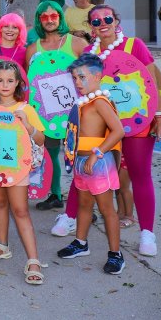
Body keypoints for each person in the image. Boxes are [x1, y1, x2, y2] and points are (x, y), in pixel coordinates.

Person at [54, 5, 161, 257]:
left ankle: (147, 233)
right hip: (99, 124)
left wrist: (159, 118)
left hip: (136, 122)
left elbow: (151, 84)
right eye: (95, 21)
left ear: (116, 20)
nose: (102, 23)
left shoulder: (134, 45)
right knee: (83, 168)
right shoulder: (88, 51)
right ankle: (70, 216)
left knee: (139, 174)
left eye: (107, 18)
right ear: (90, 26)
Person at [56, 54, 125, 275]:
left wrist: (97, 154)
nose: (77, 82)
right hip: (81, 162)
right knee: (84, 205)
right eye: (74, 78)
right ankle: (80, 243)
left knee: (106, 210)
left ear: (97, 76)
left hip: (98, 163)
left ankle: (116, 255)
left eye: (82, 77)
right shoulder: (83, 102)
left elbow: (118, 131)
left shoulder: (100, 102)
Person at [0, 60, 46, 284]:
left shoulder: (25, 109)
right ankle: (2, 245)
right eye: (0, 80)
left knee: (20, 210)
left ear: (18, 82)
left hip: (18, 168)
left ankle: (34, 260)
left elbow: (40, 139)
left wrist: (28, 125)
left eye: (10, 80)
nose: (5, 84)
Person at [26, 0, 87, 212]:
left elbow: (94, 74)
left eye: (54, 16)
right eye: (45, 17)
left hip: (77, 111)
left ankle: (85, 202)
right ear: (39, 20)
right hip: (47, 114)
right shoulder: (33, 49)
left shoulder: (76, 43)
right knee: (50, 155)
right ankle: (55, 194)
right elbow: (29, 82)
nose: (50, 20)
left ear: (60, 18)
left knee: (80, 155)